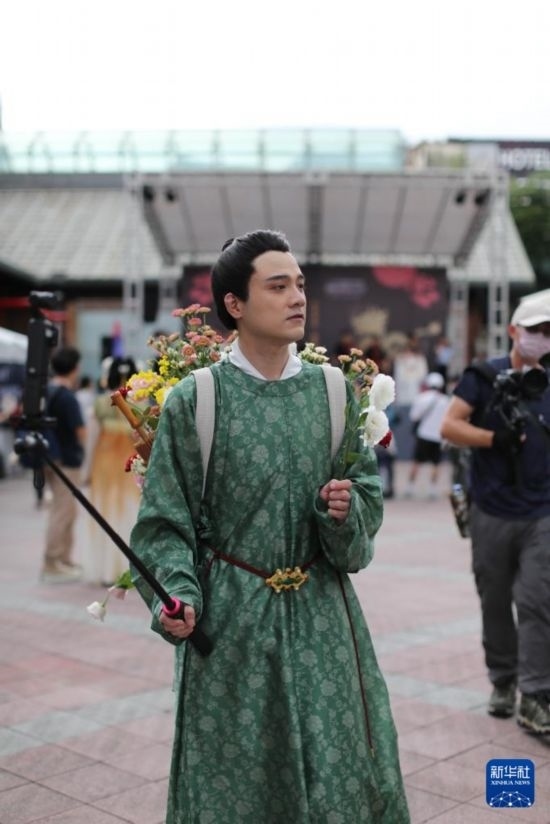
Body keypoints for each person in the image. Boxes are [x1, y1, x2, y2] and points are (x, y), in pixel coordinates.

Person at [130, 230, 410, 823]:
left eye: (300, 285)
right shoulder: (196, 400)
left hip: (325, 620)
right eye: (278, 286)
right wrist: (177, 594)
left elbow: (365, 498)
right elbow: (164, 523)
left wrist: (343, 512)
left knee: (337, 769)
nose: (297, 298)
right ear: (234, 304)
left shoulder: (334, 393)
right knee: (236, 780)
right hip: (231, 625)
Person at [441, 289, 550, 734]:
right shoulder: (485, 376)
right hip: (491, 509)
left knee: (538, 599)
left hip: (542, 511)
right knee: (495, 599)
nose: (542, 338)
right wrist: (493, 438)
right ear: (514, 330)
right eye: (535, 330)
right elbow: (449, 425)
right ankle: (503, 681)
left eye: (549, 332)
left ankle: (536, 692)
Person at [81, 356, 140, 585]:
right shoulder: (141, 402)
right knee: (131, 514)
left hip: (104, 466)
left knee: (105, 516)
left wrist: (86, 471)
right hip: (131, 466)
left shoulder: (100, 403)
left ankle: (107, 570)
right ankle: (131, 570)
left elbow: (92, 440)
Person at [41, 346, 86, 582]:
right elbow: (80, 431)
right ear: (74, 368)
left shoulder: (47, 390)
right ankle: (52, 561)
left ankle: (64, 559)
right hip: (67, 461)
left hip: (50, 457)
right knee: (62, 511)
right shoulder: (67, 396)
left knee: (67, 510)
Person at [405, 372, 449, 499]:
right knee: (436, 463)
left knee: (416, 462)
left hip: (423, 434)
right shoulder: (445, 400)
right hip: (438, 436)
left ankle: (410, 487)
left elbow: (414, 416)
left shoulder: (421, 398)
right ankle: (432, 489)